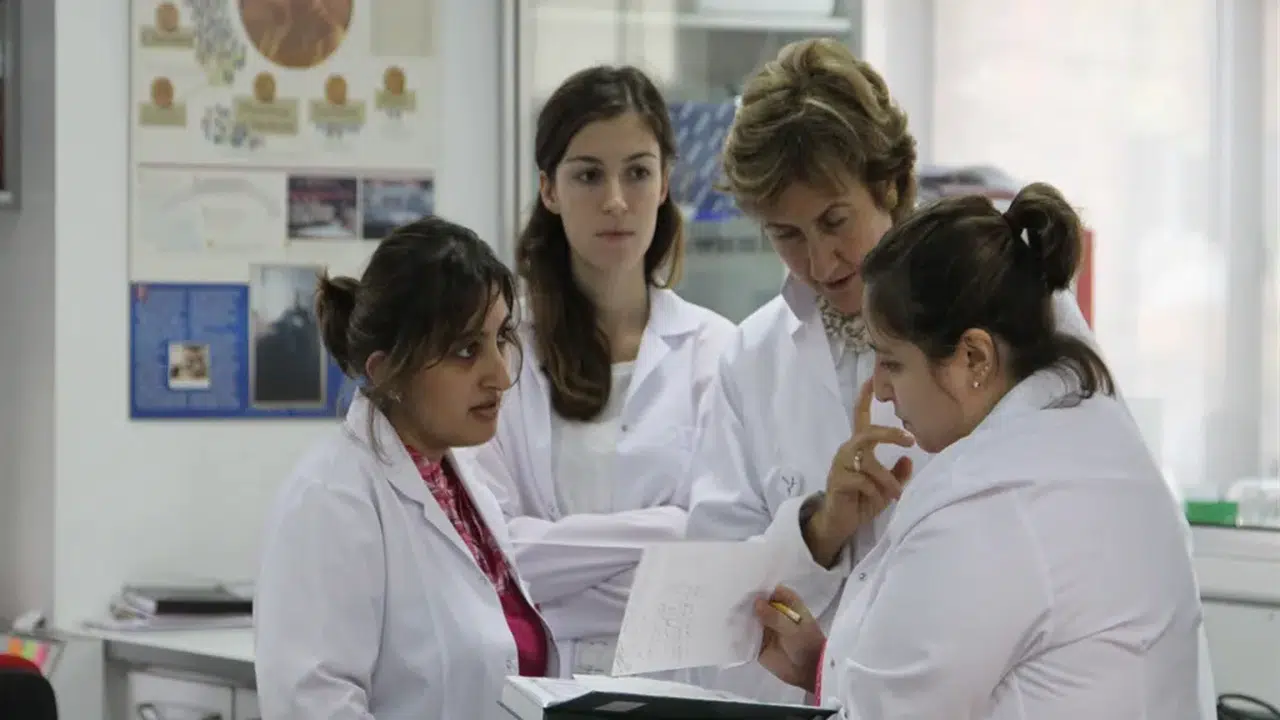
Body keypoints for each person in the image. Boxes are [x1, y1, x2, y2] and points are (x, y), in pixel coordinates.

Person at [681, 38, 1102, 704]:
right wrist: (820, 530)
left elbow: (1079, 527)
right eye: (786, 235)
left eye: (834, 220)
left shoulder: (1008, 299)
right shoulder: (751, 359)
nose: (820, 261)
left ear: (890, 184)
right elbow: (712, 618)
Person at [753, 184, 1207, 718]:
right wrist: (822, 665)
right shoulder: (1089, 443)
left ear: (974, 357)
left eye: (892, 362)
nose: (881, 391)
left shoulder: (989, 507)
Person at [466, 65, 735, 677]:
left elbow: (718, 551)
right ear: (549, 189)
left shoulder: (717, 351)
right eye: (588, 174)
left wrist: (557, 574)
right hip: (533, 685)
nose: (615, 200)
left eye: (637, 172)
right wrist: (668, 533)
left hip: (678, 685)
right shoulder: (500, 353)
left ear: (665, 183)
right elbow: (491, 553)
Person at [254, 217, 555, 720]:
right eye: (466, 350)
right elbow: (312, 705)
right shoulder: (331, 499)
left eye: (500, 337)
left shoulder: (462, 483)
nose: (501, 375)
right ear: (387, 371)